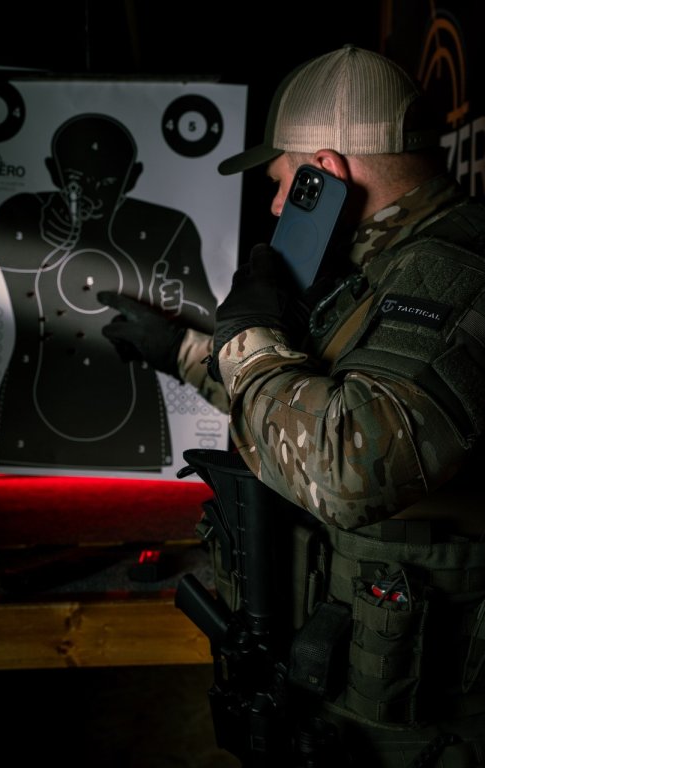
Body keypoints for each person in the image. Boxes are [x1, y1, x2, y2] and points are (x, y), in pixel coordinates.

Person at [100, 45, 484, 767]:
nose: (277, 207)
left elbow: (343, 468)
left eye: (281, 184)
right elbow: (296, 410)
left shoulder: (454, 273)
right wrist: (180, 350)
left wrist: (248, 334)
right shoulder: (380, 265)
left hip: (420, 723)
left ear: (324, 172)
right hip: (346, 677)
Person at [0, 112, 218, 471]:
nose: (91, 193)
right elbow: (5, 243)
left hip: (130, 410)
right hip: (33, 405)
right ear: (53, 172)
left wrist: (179, 310)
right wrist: (40, 236)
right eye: (78, 181)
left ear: (132, 177)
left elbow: (209, 320)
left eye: (106, 181)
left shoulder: (169, 228)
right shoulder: (24, 215)